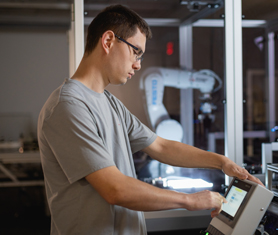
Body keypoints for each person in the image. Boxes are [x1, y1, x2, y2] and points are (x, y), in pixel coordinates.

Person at [37, 4, 263, 235]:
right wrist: (191, 201)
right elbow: (115, 189)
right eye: (136, 52)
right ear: (108, 41)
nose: (138, 64)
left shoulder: (110, 103)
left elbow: (161, 145)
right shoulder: (68, 106)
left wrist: (222, 162)